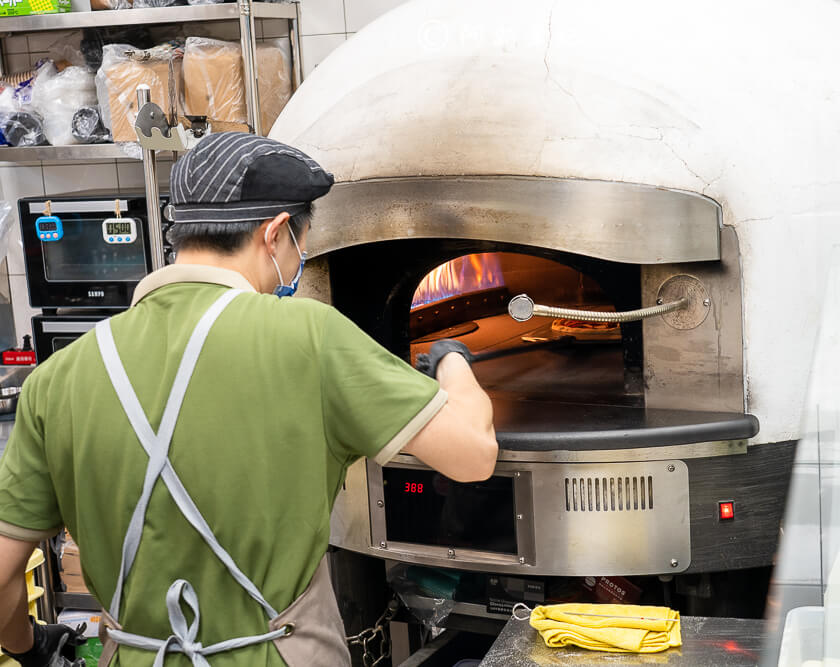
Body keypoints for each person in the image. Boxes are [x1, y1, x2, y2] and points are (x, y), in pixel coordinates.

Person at [0, 132, 498, 667]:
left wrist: (28, 647)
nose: (300, 256)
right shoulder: (307, 335)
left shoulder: (58, 376)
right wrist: (450, 361)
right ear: (276, 233)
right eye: (301, 242)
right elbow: (472, 455)